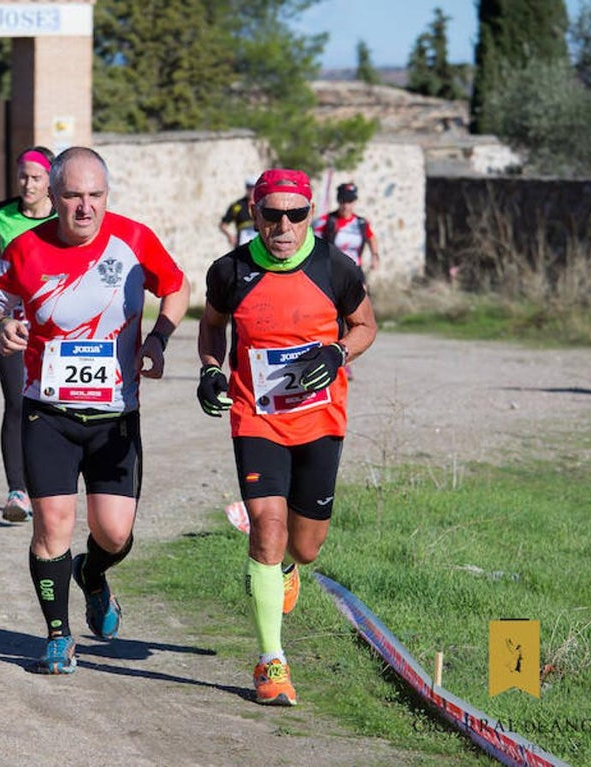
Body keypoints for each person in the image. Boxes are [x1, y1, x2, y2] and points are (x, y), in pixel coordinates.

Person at [0, 146, 190, 674]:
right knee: (52, 525)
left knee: (114, 534)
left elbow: (178, 286)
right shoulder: (24, 247)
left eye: (95, 195)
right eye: (72, 195)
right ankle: (57, 635)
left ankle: (93, 577)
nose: (84, 207)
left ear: (106, 196)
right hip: (48, 412)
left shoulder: (134, 239)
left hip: (116, 414)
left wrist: (159, 338)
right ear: (54, 194)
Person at [196, 169, 377, 706]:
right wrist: (211, 369)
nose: (283, 224)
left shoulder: (334, 267)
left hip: (320, 421)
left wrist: (337, 351)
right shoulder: (230, 271)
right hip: (257, 417)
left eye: (295, 214)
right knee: (267, 529)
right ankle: (271, 662)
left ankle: (291, 568)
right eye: (271, 213)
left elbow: (365, 325)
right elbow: (211, 325)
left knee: (306, 544)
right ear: (254, 213)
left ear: (308, 216)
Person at [0, 146, 57, 522]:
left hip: (51, 322)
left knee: (49, 403)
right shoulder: (3, 213)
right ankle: (17, 491)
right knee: (17, 401)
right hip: (8, 318)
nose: (28, 183)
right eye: (23, 176)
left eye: (36, 177)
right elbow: (2, 253)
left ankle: (50, 486)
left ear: (50, 181)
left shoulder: (61, 217)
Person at [312, 182, 381, 272]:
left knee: (363, 286)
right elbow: (311, 240)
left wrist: (374, 255)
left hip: (355, 270)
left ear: (354, 202)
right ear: (338, 201)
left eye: (349, 202)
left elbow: (371, 238)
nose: (346, 206)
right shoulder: (326, 221)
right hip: (332, 270)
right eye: (343, 201)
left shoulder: (361, 223)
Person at [219, 178, 257, 247]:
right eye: (249, 188)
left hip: (258, 243)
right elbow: (223, 225)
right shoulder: (237, 206)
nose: (252, 191)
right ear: (246, 188)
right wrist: (230, 236)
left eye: (254, 188)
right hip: (242, 243)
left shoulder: (262, 205)